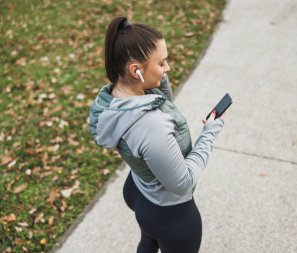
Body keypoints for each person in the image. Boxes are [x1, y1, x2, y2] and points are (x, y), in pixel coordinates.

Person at [89, 16, 224, 253]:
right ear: (136, 70)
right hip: (170, 214)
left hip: (140, 193)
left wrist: (157, 82)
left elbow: (162, 114)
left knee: (147, 244)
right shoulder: (150, 125)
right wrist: (208, 134)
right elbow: (181, 183)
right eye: (162, 63)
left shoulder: (115, 98)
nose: (167, 68)